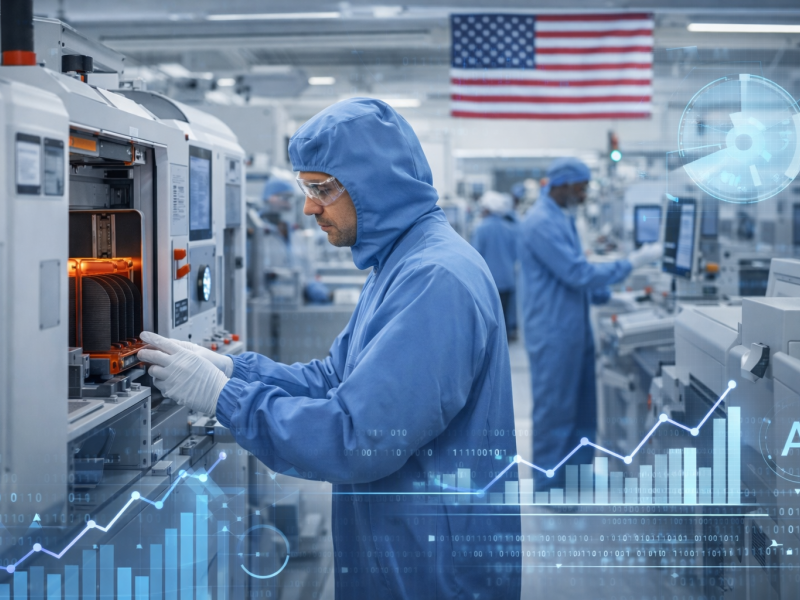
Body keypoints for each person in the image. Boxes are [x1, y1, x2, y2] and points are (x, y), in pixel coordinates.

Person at [139, 98, 521, 599]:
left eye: (322, 189)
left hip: (431, 569)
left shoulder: (435, 279)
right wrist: (234, 370)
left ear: (375, 183)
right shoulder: (398, 265)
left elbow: (358, 436)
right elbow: (333, 380)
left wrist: (224, 398)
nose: (308, 207)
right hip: (398, 545)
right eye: (306, 189)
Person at [519, 157, 661, 494]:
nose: (584, 195)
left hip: (574, 328)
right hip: (552, 330)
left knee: (583, 408)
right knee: (555, 411)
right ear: (565, 185)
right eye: (581, 188)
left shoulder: (561, 217)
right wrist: (631, 263)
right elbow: (576, 273)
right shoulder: (540, 222)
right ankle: (549, 484)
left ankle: (576, 475)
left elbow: (575, 273)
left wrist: (610, 298)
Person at [471, 191, 519, 340]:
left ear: (487, 208)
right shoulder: (510, 228)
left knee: (492, 320)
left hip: (489, 281)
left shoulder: (481, 228)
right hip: (508, 279)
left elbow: (475, 255)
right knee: (505, 315)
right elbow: (516, 254)